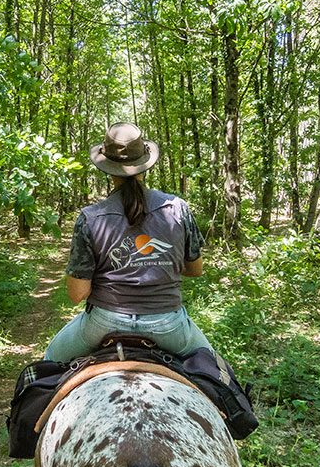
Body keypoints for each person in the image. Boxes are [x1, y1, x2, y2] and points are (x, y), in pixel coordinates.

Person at [45, 122, 213, 363]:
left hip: (105, 322)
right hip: (168, 325)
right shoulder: (177, 208)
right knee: (216, 369)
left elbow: (77, 294)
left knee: (50, 360)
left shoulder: (90, 218)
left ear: (108, 168)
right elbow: (195, 270)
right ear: (145, 163)